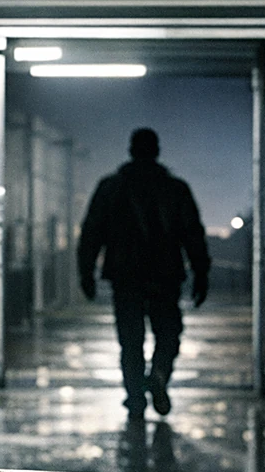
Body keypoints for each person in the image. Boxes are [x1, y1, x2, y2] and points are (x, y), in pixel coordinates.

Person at [77, 128, 210, 419]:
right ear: (157, 151)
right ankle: (159, 373)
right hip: (165, 274)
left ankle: (135, 397)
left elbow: (92, 232)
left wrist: (86, 271)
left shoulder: (111, 188)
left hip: (125, 276)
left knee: (130, 340)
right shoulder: (175, 189)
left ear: (131, 150)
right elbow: (193, 235)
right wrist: (201, 273)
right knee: (168, 333)